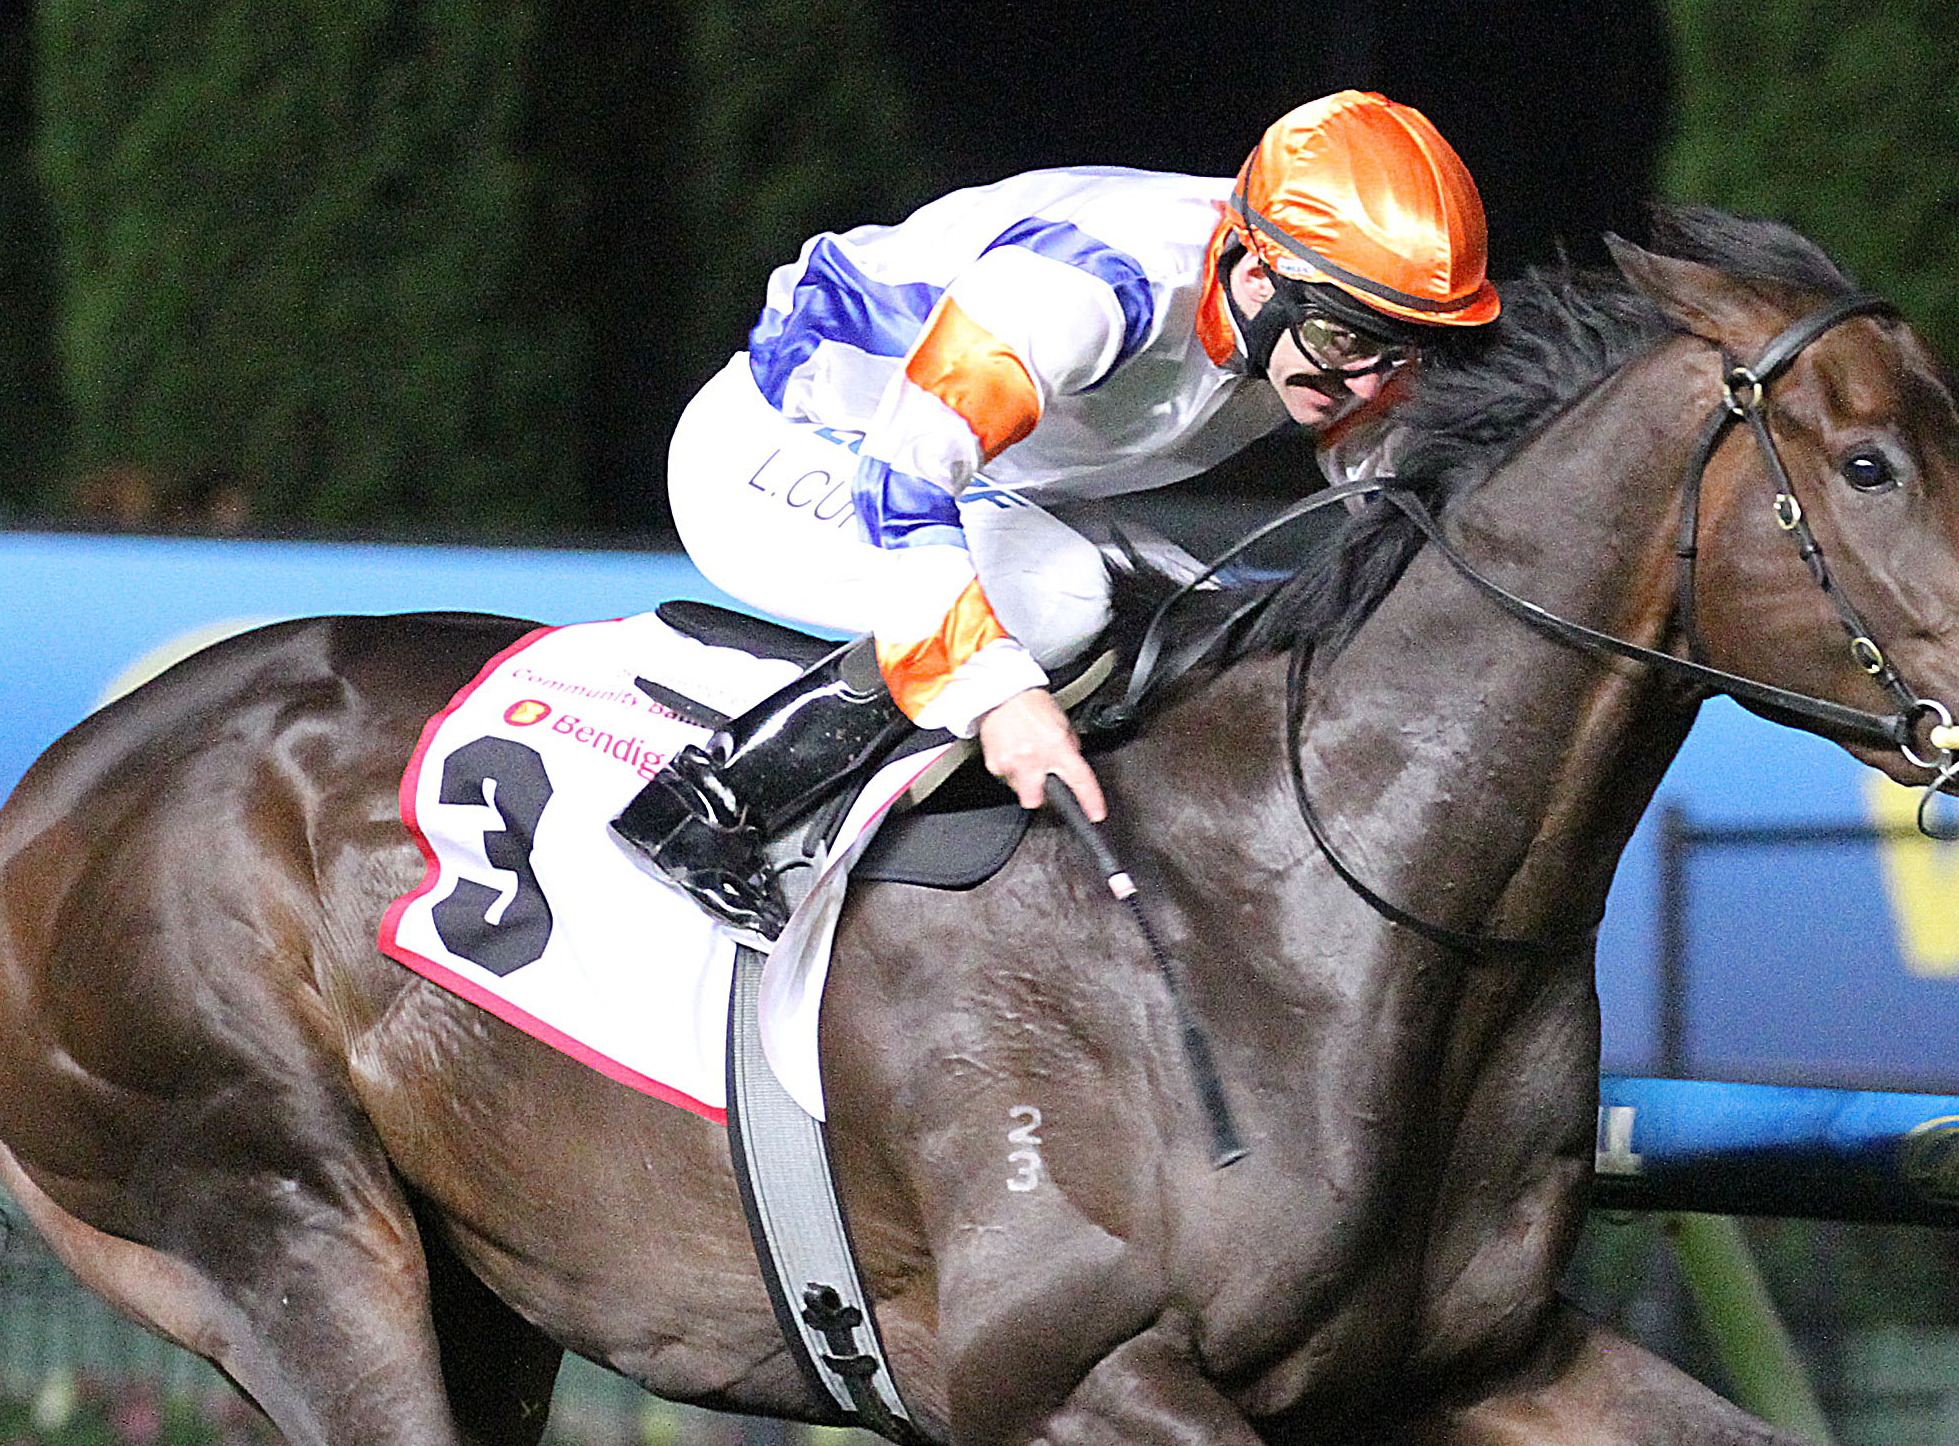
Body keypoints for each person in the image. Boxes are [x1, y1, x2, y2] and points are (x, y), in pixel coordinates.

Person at [615, 89, 1500, 938]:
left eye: (1401, 347)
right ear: (1258, 278)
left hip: (977, 472)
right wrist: (1000, 702)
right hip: (790, 445)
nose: (1376, 383)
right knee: (1069, 598)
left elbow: (1389, 498)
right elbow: (903, 480)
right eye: (1348, 340)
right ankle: (710, 806)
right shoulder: (1088, 290)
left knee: (1201, 606)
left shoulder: (1314, 310)